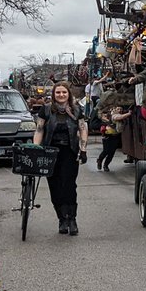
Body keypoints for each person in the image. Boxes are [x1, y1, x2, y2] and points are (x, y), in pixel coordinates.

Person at [33, 81, 89, 236]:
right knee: (55, 186)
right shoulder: (46, 110)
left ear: (68, 94)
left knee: (69, 185)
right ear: (53, 94)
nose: (61, 95)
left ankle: (72, 218)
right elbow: (39, 130)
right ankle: (61, 218)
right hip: (50, 152)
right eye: (58, 92)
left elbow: (83, 129)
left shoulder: (77, 110)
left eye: (64, 92)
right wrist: (36, 148)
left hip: (69, 152)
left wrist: (83, 149)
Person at [95, 103, 131, 170]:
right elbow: (119, 117)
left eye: (121, 109)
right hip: (108, 136)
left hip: (115, 136)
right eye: (118, 109)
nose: (119, 110)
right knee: (106, 151)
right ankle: (100, 160)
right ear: (115, 109)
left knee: (111, 153)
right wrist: (129, 114)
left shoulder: (120, 116)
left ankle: (106, 165)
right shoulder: (113, 115)